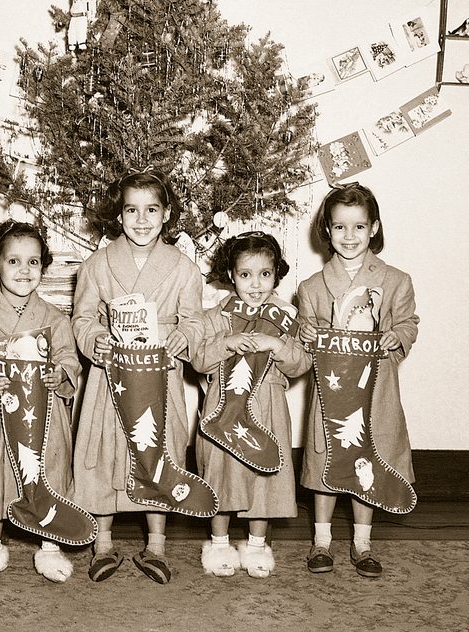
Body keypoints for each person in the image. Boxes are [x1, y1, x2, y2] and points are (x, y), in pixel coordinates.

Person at [72, 168, 204, 584]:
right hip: (111, 373)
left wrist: (179, 341)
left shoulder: (183, 268)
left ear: (166, 215)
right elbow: (82, 317)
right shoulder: (97, 264)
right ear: (119, 214)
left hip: (159, 370)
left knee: (158, 449)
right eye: (132, 210)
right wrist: (95, 339)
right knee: (104, 448)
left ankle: (157, 545)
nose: (142, 220)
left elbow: (195, 322)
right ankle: (103, 543)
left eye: (152, 210)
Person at [298, 183, 418, 577]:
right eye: (339, 228)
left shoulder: (396, 279)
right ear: (327, 231)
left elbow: (407, 324)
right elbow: (305, 330)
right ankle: (321, 541)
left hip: (374, 388)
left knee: (367, 458)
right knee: (326, 458)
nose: (349, 237)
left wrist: (395, 337)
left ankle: (363, 542)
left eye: (359, 227)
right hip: (332, 391)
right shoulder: (312, 287)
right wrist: (308, 335)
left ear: (374, 229)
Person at [0, 220, 82, 583]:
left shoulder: (55, 318)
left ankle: (50, 545)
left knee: (50, 469)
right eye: (13, 262)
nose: (24, 270)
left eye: (33, 262)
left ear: (43, 265)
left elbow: (69, 358)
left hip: (47, 414)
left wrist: (62, 374)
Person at [192, 232, 309, 579]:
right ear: (231, 274)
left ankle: (257, 543)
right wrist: (226, 344)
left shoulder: (286, 317)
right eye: (245, 275)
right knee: (221, 474)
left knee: (265, 474)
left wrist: (276, 343)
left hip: (268, 408)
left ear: (276, 275)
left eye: (265, 274)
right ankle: (218, 541)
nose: (255, 284)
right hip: (223, 408)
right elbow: (198, 360)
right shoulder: (219, 315)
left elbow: (301, 363)